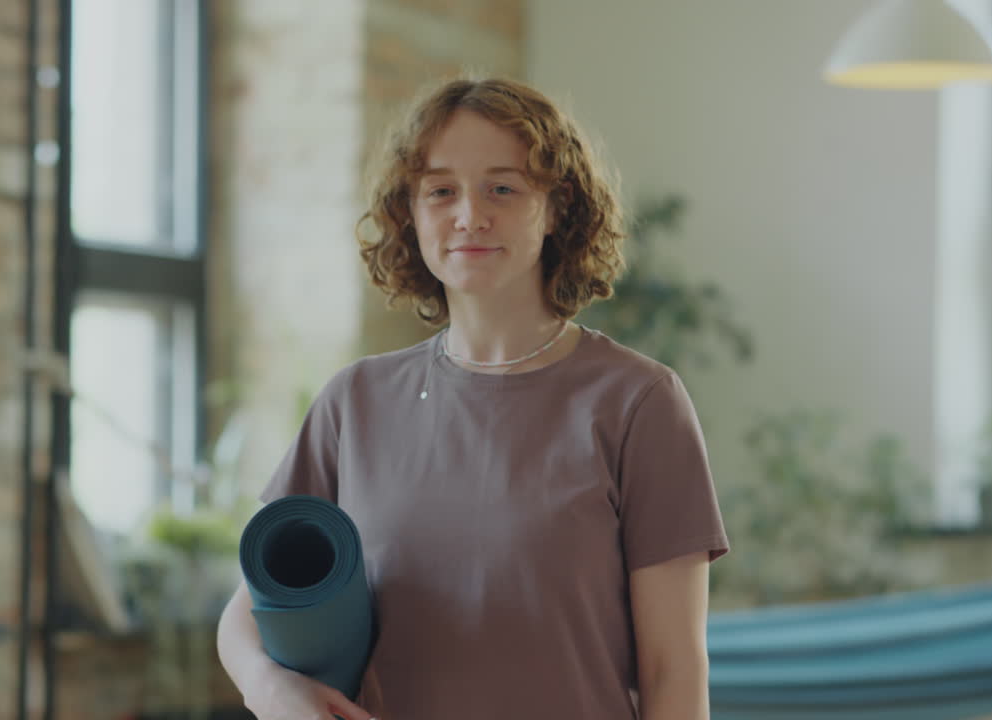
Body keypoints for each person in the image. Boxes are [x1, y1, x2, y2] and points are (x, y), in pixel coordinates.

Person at [216, 76, 729, 720]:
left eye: (502, 188)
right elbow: (244, 614)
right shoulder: (355, 403)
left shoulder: (638, 402)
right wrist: (269, 688)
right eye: (440, 191)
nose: (469, 216)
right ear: (410, 213)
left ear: (558, 207)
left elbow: (674, 668)